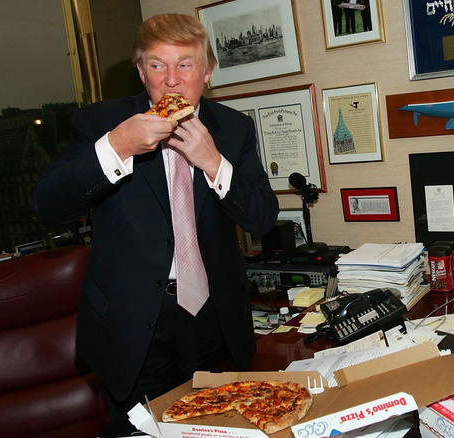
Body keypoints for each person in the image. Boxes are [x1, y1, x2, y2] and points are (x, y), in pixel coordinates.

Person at [31, 13, 279, 434]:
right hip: (132, 324)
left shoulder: (234, 128)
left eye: (185, 64)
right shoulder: (100, 123)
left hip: (213, 318)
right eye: (157, 65)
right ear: (140, 71)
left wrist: (214, 163)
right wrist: (117, 147)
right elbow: (48, 207)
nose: (172, 80)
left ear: (206, 71)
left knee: (220, 428)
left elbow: (263, 217)